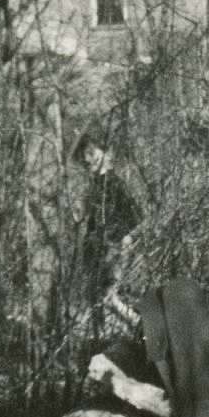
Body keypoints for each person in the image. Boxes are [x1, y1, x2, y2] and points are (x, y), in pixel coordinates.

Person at [71, 128, 141, 339]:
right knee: (94, 299)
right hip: (94, 249)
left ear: (105, 152)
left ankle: (141, 327)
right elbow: (85, 219)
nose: (86, 159)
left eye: (92, 153)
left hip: (111, 248)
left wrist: (121, 241)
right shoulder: (92, 187)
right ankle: (100, 340)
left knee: (108, 298)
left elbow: (136, 217)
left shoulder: (116, 184)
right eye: (84, 154)